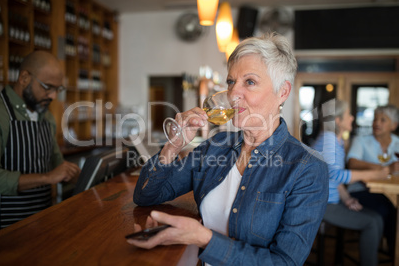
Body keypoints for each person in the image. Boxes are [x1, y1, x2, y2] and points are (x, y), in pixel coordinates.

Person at [127, 33, 329, 265]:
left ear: (282, 92)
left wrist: (205, 239)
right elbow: (146, 196)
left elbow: (285, 262)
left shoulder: (308, 168)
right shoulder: (216, 146)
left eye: (249, 82)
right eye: (231, 82)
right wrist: (174, 145)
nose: (233, 94)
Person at [0, 51, 80, 230]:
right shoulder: (0, 113)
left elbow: (57, 162)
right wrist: (47, 177)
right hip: (6, 227)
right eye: (47, 87)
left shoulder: (46, 116)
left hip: (42, 220)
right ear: (24, 78)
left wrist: (89, 177)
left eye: (57, 89)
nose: (53, 96)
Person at [312, 100, 390, 266]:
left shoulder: (335, 140)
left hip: (332, 201)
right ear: (338, 120)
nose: (352, 118)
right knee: (371, 222)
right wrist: (374, 173)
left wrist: (347, 198)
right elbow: (336, 174)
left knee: (376, 218)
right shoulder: (329, 140)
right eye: (349, 114)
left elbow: (333, 178)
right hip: (322, 204)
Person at [346, 105, 399, 256]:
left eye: (383, 120)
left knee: (391, 209)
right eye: (375, 119)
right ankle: (391, 252)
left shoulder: (397, 142)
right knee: (388, 210)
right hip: (361, 191)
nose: (377, 123)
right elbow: (352, 163)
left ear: (394, 125)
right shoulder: (361, 140)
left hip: (391, 192)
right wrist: (384, 168)